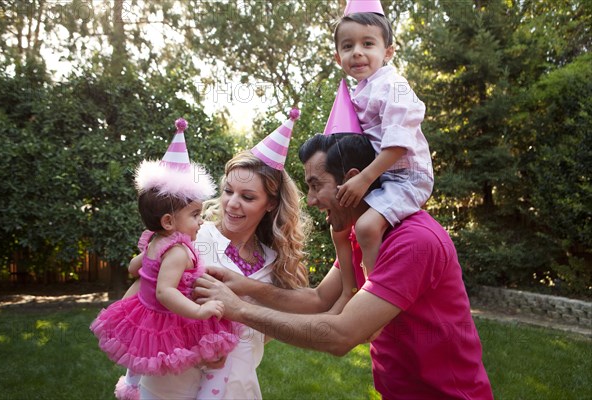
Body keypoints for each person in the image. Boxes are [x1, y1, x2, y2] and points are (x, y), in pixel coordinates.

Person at [195, 133, 494, 399]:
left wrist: (238, 309)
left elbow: (341, 335)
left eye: (316, 185)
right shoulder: (361, 233)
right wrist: (244, 284)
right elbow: (320, 299)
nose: (310, 200)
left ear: (351, 178)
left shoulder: (413, 241)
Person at [119, 110, 311, 399]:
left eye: (247, 197)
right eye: (228, 191)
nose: (232, 204)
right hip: (172, 387)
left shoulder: (273, 262)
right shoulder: (192, 240)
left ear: (270, 204)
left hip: (237, 388)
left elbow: (267, 330)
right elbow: (141, 297)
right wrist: (197, 348)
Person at [90, 118, 240, 400]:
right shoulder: (178, 251)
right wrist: (198, 312)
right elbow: (165, 290)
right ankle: (207, 393)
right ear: (170, 221)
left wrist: (143, 266)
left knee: (140, 351)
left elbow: (136, 267)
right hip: (169, 313)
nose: (200, 220)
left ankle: (132, 387)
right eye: (195, 215)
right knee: (201, 349)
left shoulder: (152, 239)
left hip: (143, 307)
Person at [329, 1, 435, 313]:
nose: (357, 52)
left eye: (368, 44)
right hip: (383, 178)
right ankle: (348, 290)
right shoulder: (360, 91)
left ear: (388, 51)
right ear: (338, 57)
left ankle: (373, 298)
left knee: (364, 227)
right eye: (348, 46)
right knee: (338, 222)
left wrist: (364, 178)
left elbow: (399, 143)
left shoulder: (393, 85)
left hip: (407, 178)